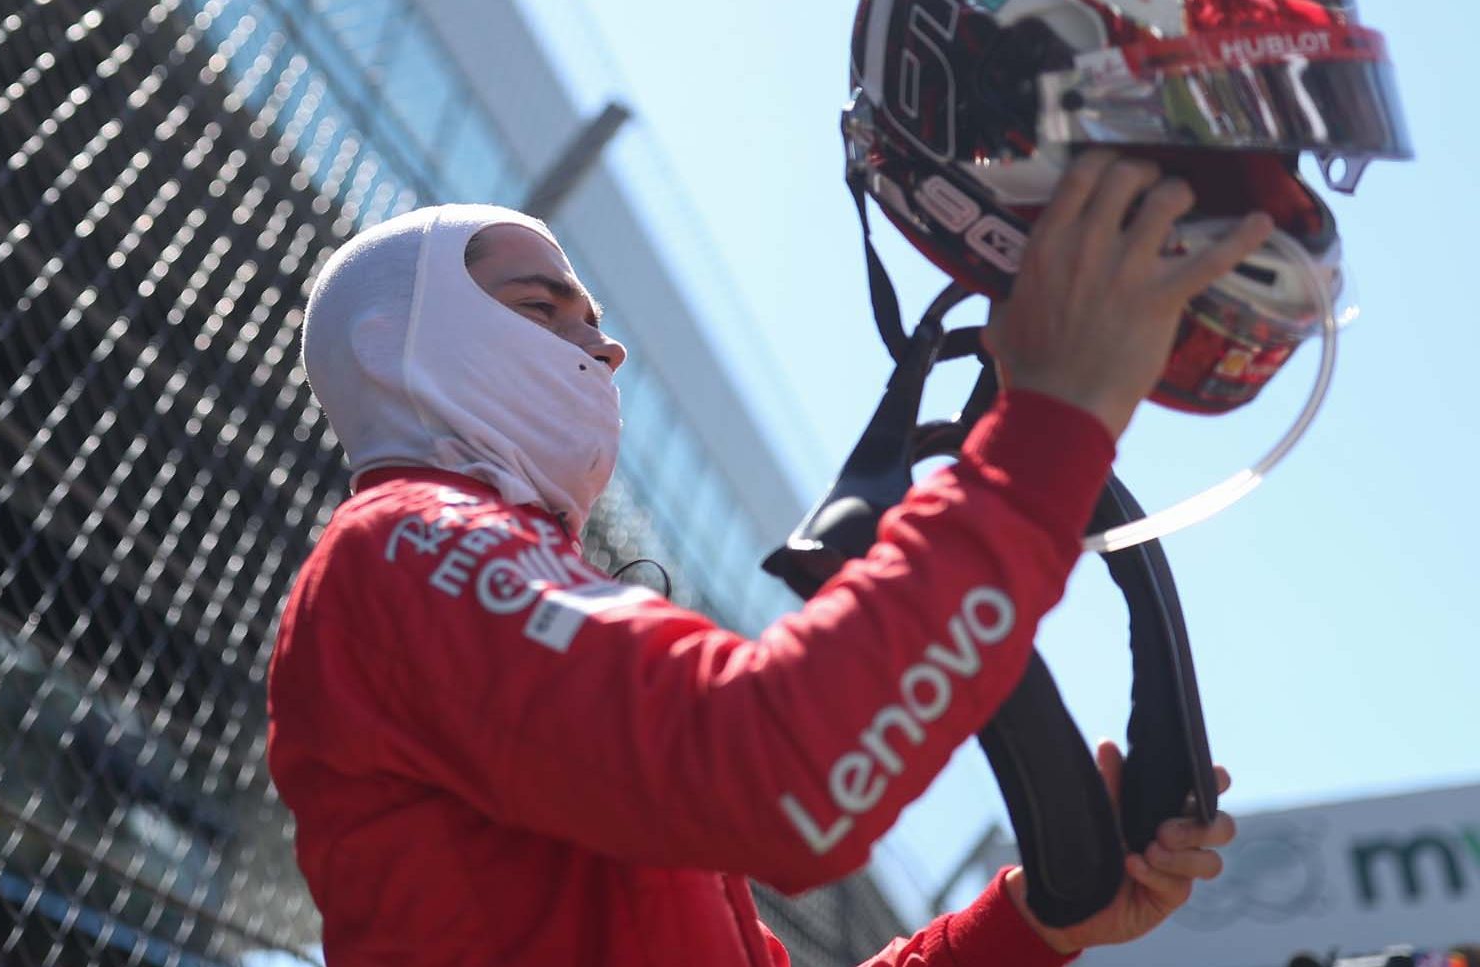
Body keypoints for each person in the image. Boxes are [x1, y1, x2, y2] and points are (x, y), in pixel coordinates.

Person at [266, 151, 1265, 966]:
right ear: (394, 342)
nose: (601, 349)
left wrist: (1040, 923)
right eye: (542, 308)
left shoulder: (495, 589)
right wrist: (1047, 429)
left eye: (596, 321)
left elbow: (771, 780)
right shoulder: (400, 549)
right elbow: (781, 775)